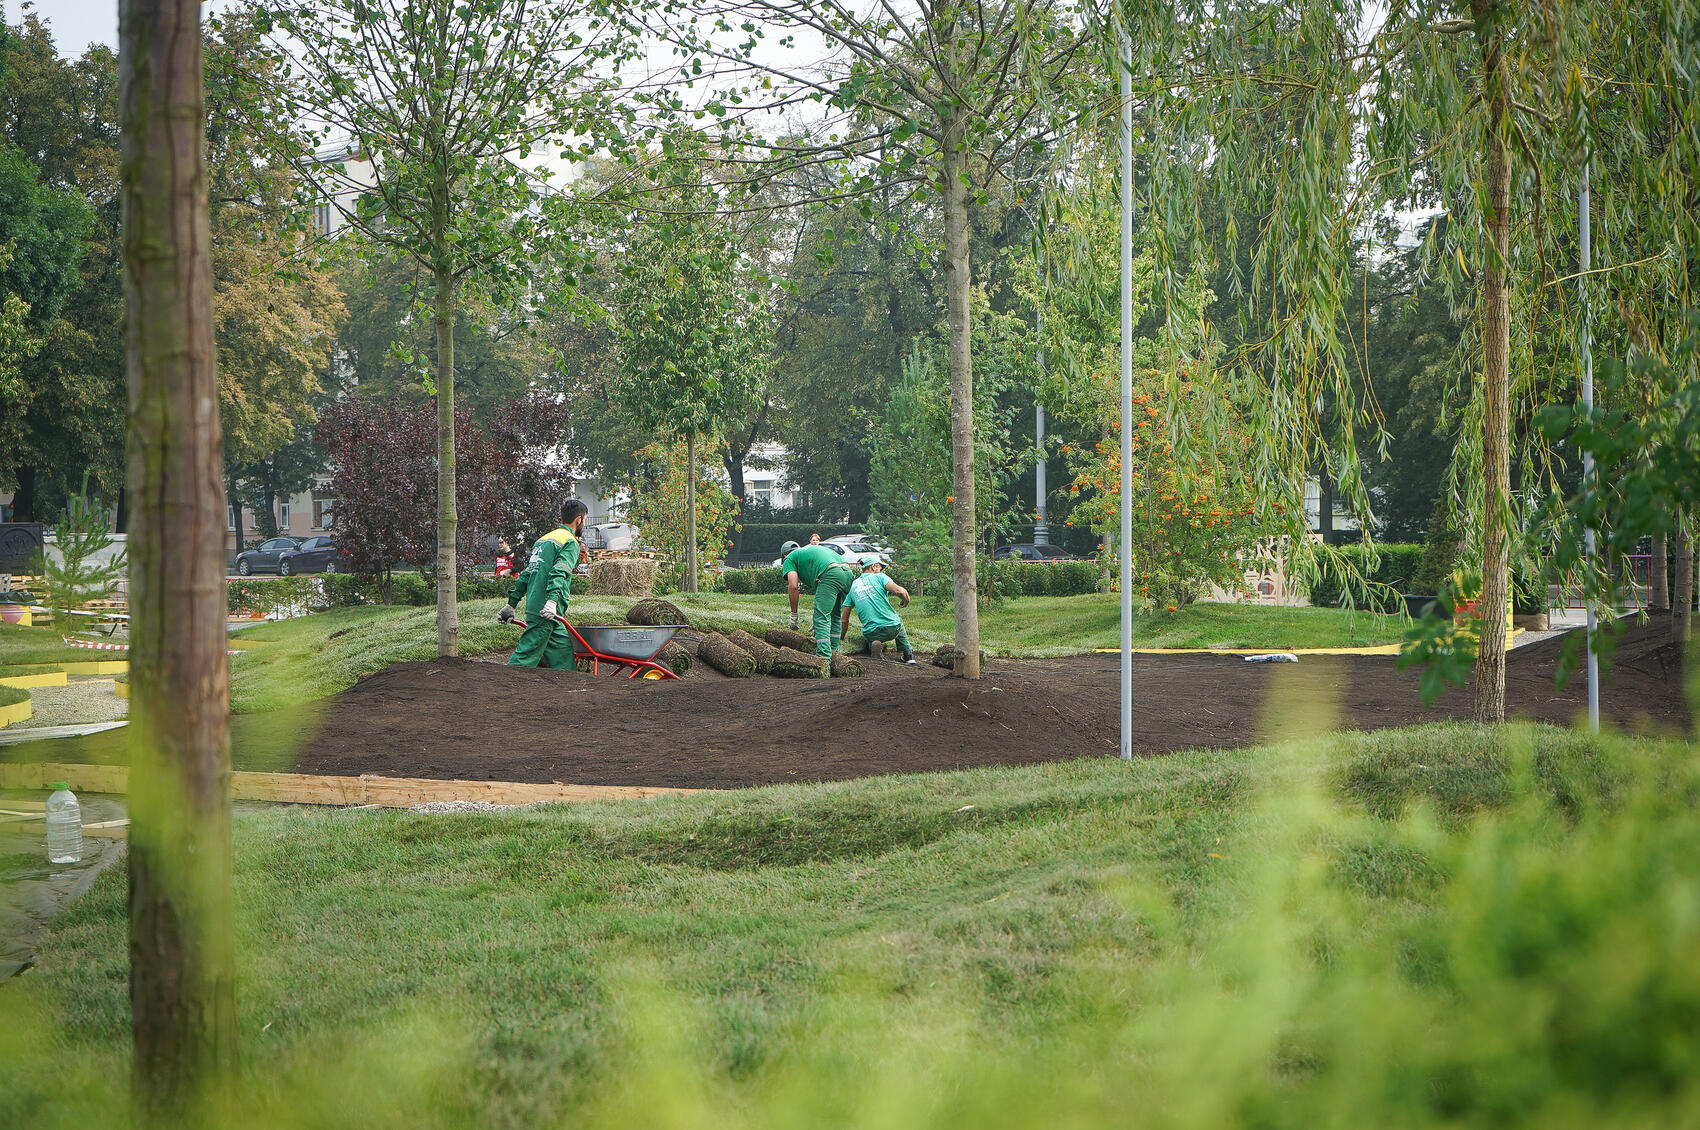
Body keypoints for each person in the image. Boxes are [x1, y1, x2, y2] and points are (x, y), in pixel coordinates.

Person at [505, 501, 587, 668]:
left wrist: (511, 604)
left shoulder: (544, 540)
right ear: (579, 520)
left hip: (542, 608)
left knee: (562, 654)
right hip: (546, 609)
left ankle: (570, 686)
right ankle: (503, 684)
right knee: (525, 655)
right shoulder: (570, 542)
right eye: (585, 519)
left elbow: (528, 573)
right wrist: (552, 601)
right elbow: (559, 572)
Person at [780, 537, 857, 673]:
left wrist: (794, 614)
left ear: (784, 555)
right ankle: (834, 652)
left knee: (821, 617)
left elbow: (793, 586)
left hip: (831, 574)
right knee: (834, 615)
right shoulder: (806, 551)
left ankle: (823, 658)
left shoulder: (789, 558)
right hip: (848, 574)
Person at [840, 557, 917, 664]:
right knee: (898, 621)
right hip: (892, 627)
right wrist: (906, 600)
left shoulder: (853, 586)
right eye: (880, 568)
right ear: (873, 566)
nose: (881, 571)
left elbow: (844, 619)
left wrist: (841, 638)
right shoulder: (880, 577)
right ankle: (908, 655)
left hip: (870, 632)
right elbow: (899, 591)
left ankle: (873, 646)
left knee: (869, 638)